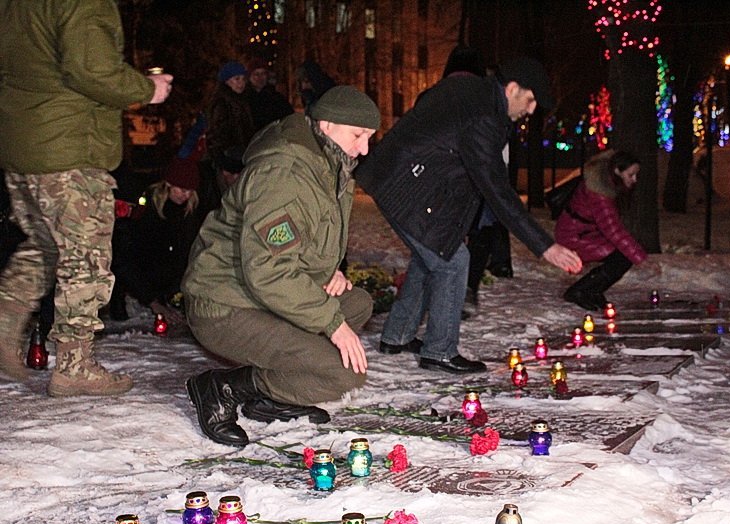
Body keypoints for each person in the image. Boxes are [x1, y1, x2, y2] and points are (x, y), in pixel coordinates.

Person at [356, 57, 582, 374]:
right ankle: (439, 351)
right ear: (513, 88)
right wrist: (545, 245)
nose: (531, 110)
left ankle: (397, 336)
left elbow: (457, 164)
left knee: (435, 253)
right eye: (530, 100)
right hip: (406, 186)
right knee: (453, 261)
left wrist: (453, 225)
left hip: (399, 177)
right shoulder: (484, 115)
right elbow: (494, 187)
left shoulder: (470, 90)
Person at [182, 85, 380, 447]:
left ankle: (273, 397)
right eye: (358, 135)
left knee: (357, 304)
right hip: (224, 302)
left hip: (255, 291)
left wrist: (328, 274)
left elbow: (298, 244)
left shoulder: (326, 166)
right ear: (327, 125)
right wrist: (332, 325)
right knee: (342, 373)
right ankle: (222, 388)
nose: (365, 149)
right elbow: (269, 271)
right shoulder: (285, 173)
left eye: (369, 138)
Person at [0, 0, 172, 392]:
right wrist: (148, 89)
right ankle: (74, 366)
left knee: (46, 246)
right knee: (86, 258)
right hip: (69, 147)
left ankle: (5, 319)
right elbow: (90, 69)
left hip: (22, 143)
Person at [110, 158, 201, 324]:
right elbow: (126, 259)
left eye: (190, 191)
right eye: (181, 189)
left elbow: (184, 254)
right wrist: (152, 301)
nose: (185, 195)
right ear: (168, 185)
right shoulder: (147, 212)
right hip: (138, 278)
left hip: (164, 285)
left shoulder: (188, 214)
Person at [554, 150, 647, 310]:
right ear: (618, 171)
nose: (634, 179)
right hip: (575, 235)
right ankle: (580, 291)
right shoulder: (600, 193)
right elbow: (613, 230)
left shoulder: (606, 183)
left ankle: (592, 291)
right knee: (621, 258)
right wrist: (640, 257)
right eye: (631, 174)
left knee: (621, 257)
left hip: (585, 232)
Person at [206, 61, 255, 174]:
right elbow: (216, 134)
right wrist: (224, 161)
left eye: (243, 79)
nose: (241, 83)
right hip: (229, 159)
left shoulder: (242, 100)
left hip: (241, 156)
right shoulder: (221, 103)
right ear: (227, 81)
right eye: (237, 79)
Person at [245, 57, 295, 131]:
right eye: (256, 74)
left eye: (263, 73)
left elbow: (288, 119)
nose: (260, 78)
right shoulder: (244, 99)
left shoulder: (277, 98)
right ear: (249, 77)